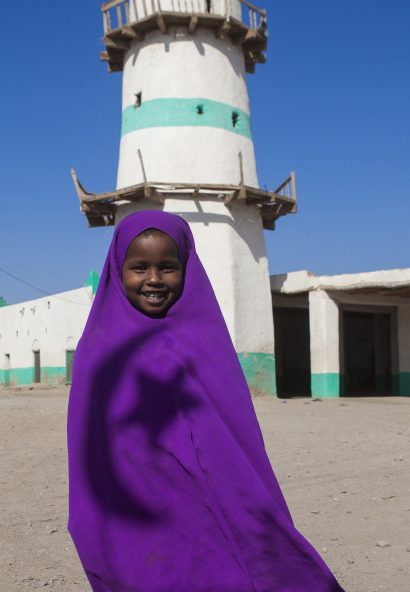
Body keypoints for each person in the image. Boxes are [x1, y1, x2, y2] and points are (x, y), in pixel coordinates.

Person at [68, 210, 344, 591]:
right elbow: (90, 449)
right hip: (136, 518)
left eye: (167, 267)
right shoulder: (99, 351)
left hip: (215, 507)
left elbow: (237, 439)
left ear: (187, 267)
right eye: (139, 268)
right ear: (117, 270)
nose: (153, 279)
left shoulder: (207, 341)